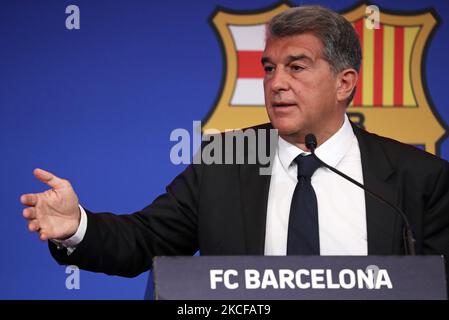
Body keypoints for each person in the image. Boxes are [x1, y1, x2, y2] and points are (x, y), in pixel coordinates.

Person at [21, 6, 449, 279]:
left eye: (296, 67)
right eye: (268, 68)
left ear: (344, 83)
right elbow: (145, 240)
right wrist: (77, 226)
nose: (276, 83)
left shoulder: (419, 177)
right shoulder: (225, 159)